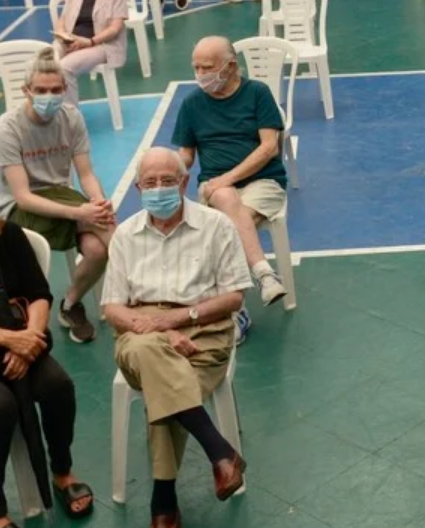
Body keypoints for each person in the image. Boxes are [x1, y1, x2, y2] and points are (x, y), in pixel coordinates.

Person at [102, 147, 250, 528]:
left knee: (163, 386)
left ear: (184, 183)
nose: (159, 188)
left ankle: (164, 500)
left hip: (203, 327)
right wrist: (162, 331)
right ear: (138, 189)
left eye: (168, 180)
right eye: (150, 182)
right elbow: (113, 308)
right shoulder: (125, 235)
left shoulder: (217, 226)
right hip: (140, 329)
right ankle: (218, 452)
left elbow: (234, 297)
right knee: (155, 360)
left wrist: (177, 320)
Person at [171, 36, 289, 343]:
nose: (200, 74)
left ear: (231, 66)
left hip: (263, 182)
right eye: (196, 67)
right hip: (216, 188)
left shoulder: (257, 93)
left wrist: (227, 178)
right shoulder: (192, 103)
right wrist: (168, 168)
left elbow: (269, 147)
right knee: (224, 199)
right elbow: (186, 155)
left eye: (207, 67)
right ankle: (263, 274)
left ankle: (236, 312)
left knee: (223, 227)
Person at [0, 48, 113, 344]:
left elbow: (86, 174)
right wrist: (81, 213)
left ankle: (70, 304)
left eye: (55, 90)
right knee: (106, 226)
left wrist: (97, 200)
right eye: (40, 90)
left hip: (62, 197)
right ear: (26, 90)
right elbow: (23, 197)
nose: (48, 96)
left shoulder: (71, 117)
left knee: (97, 250)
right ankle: (146, 288)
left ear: (65, 89)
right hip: (18, 210)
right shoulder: (7, 128)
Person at [0, 219, 94, 525]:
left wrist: (29, 340)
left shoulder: (7, 233)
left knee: (57, 386)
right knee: (2, 407)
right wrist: (8, 339)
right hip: (7, 339)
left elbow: (39, 293)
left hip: (23, 339)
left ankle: (62, 471)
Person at [51, 0, 128, 106]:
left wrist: (90, 41)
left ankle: (70, 114)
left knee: (64, 68)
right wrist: (62, 35)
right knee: (44, 65)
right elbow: (62, 19)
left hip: (101, 45)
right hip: (72, 41)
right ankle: (52, 109)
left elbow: (115, 28)